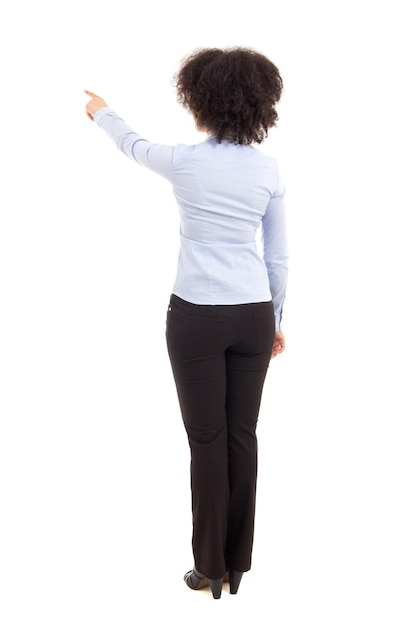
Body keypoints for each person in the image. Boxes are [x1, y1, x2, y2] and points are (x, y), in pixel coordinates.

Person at [84, 46, 288, 600]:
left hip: (195, 317)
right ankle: (238, 564)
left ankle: (209, 570)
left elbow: (130, 144)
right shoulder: (268, 169)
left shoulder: (184, 161)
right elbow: (278, 257)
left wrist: (102, 111)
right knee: (242, 436)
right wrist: (277, 317)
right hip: (253, 315)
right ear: (257, 105)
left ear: (201, 102)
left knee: (207, 441)